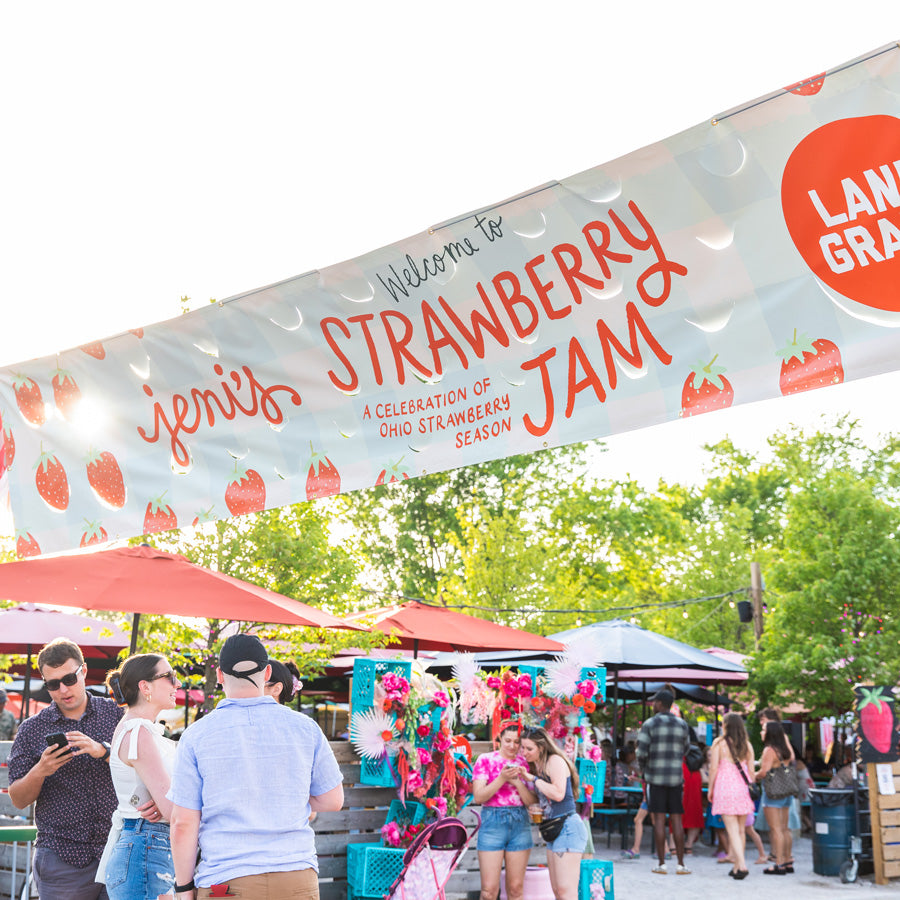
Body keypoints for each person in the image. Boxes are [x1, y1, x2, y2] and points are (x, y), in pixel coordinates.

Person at [169, 634, 343, 899]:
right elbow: (333, 799)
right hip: (296, 876)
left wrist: (183, 889)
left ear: (219, 675)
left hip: (226, 880)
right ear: (268, 672)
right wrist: (285, 795)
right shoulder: (305, 728)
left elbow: (183, 823)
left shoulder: (196, 735)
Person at [7, 638, 125, 900]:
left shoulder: (117, 714)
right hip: (62, 857)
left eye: (69, 679)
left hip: (118, 850)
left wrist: (104, 752)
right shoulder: (31, 729)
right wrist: (41, 769)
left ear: (83, 671)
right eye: (52, 684)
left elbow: (140, 767)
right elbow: (17, 798)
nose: (62, 689)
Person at [96, 654, 179, 899]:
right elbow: (171, 809)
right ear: (145, 687)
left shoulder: (137, 729)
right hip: (146, 846)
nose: (177, 684)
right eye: (170, 677)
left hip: (146, 844)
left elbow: (168, 805)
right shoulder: (138, 732)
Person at [517, 726, 586, 900]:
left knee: (566, 891)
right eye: (522, 747)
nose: (524, 752)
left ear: (541, 747)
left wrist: (533, 779)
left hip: (568, 827)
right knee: (557, 890)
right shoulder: (538, 766)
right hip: (553, 829)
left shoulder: (554, 761)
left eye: (529, 749)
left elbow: (558, 793)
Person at [472, 723, 534, 900]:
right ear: (499, 738)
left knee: (515, 889)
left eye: (517, 742)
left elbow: (531, 801)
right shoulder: (485, 759)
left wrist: (517, 783)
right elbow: (479, 797)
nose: (512, 746)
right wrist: (502, 778)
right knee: (489, 891)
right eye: (508, 740)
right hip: (492, 822)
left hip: (519, 822)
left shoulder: (525, 763)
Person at [635, 688, 691, 875]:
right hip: (676, 778)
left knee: (658, 819)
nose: (652, 705)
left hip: (655, 777)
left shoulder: (650, 724)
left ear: (660, 703)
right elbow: (686, 749)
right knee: (677, 819)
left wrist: (644, 768)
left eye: (654, 702)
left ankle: (662, 864)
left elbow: (641, 752)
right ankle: (681, 864)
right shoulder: (682, 724)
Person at [708, 713, 755, 880]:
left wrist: (710, 789)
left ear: (725, 726)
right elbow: (751, 772)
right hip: (742, 789)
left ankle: (741, 864)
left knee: (732, 830)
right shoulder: (747, 745)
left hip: (725, 787)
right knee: (741, 830)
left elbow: (713, 769)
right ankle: (736, 866)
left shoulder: (719, 744)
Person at [756, 710, 795, 875]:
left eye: (764, 730)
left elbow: (763, 772)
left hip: (773, 793)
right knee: (785, 829)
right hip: (786, 791)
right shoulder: (784, 749)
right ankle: (787, 861)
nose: (761, 732)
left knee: (775, 829)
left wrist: (753, 776)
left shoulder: (769, 750)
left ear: (770, 733)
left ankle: (778, 864)